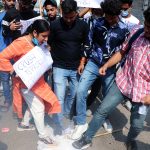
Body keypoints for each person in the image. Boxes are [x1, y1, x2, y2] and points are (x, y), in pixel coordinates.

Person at [72, 6, 150, 150]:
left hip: (144, 93)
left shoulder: (125, 28)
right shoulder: (136, 32)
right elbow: (121, 52)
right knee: (102, 110)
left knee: (137, 124)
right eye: (146, 25)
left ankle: (130, 140)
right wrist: (106, 65)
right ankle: (87, 137)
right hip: (123, 83)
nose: (146, 30)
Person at [71, 0, 129, 140]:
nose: (109, 19)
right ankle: (80, 122)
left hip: (110, 68)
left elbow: (123, 52)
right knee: (80, 90)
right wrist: (82, 61)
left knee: (107, 96)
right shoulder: (97, 24)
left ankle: (104, 118)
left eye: (112, 17)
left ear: (118, 14)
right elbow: (89, 43)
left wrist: (119, 68)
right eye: (107, 16)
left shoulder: (124, 29)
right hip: (93, 63)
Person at [0, 19, 61, 146]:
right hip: (25, 83)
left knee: (37, 103)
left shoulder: (37, 42)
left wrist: (46, 56)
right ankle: (43, 135)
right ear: (34, 32)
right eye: (43, 36)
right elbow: (2, 57)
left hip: (38, 82)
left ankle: (24, 124)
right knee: (39, 107)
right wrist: (13, 71)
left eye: (47, 36)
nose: (45, 39)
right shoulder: (20, 43)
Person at [48, 0, 89, 135]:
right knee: (59, 95)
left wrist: (82, 62)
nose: (69, 20)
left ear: (76, 13)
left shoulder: (83, 25)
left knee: (75, 93)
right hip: (59, 66)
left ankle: (65, 113)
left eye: (72, 17)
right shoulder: (54, 25)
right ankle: (58, 123)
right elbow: (49, 45)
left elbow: (86, 45)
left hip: (76, 67)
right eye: (66, 17)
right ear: (61, 13)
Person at [0, 0, 17, 112]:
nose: (11, 2)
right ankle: (7, 100)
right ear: (3, 1)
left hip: (17, 52)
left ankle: (17, 102)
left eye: (13, 0)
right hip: (3, 52)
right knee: (5, 80)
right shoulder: (1, 15)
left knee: (17, 79)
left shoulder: (18, 14)